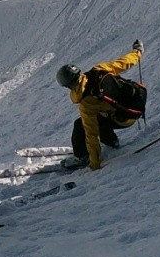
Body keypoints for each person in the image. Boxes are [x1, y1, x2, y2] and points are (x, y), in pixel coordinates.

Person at [56, 40, 144, 170]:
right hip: (132, 110)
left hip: (120, 119)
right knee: (100, 115)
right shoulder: (99, 71)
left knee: (80, 125)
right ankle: (111, 141)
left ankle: (82, 157)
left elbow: (91, 135)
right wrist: (137, 51)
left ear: (68, 86)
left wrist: (95, 164)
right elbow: (123, 62)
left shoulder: (86, 102)